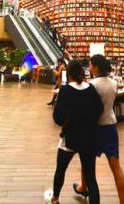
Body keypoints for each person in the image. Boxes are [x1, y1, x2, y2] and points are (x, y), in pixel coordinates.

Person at [43, 61, 103, 204]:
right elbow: (99, 109)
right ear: (82, 72)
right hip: (89, 139)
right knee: (91, 177)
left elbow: (58, 118)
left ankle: (55, 198)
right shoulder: (91, 88)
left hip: (70, 138)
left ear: (68, 73)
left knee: (60, 170)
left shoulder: (66, 90)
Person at [74, 54, 124, 204]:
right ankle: (123, 202)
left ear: (96, 67)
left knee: (87, 162)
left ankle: (84, 187)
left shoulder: (92, 84)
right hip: (110, 126)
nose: (89, 68)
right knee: (116, 167)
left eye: (90, 65)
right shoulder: (113, 83)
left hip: (95, 128)